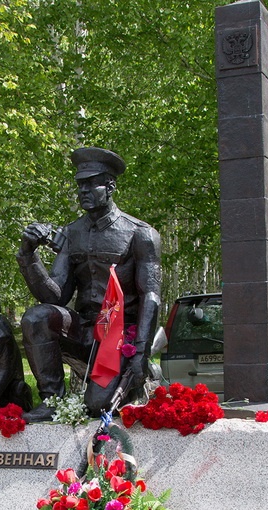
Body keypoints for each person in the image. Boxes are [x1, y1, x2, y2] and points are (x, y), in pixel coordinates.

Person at [16, 147, 162, 421]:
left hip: (120, 335)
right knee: (37, 317)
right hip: (85, 330)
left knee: (97, 405)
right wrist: (28, 255)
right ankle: (52, 402)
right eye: (80, 184)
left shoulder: (140, 234)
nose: (83, 190)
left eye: (90, 183)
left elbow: (151, 297)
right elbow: (55, 297)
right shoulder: (72, 234)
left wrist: (140, 353)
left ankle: (141, 378)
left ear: (110, 186)